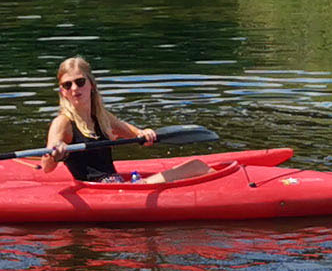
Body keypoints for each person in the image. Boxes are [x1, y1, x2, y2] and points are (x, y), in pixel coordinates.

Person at [37, 55, 206, 183]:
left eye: (80, 82)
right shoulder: (63, 122)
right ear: (62, 91)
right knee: (197, 166)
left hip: (116, 184)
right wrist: (55, 154)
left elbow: (136, 135)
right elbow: (47, 167)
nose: (74, 88)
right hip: (99, 191)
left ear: (91, 85)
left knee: (197, 166)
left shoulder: (102, 117)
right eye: (67, 85)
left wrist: (145, 134)